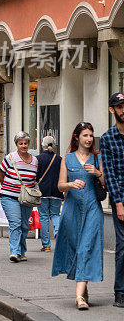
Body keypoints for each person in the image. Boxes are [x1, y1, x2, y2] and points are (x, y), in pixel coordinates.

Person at [52, 122, 105, 310]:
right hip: (72, 209)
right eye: (85, 135)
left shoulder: (97, 158)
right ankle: (84, 289)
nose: (89, 139)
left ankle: (79, 298)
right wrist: (70, 184)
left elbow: (106, 184)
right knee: (76, 249)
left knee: (86, 249)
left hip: (92, 208)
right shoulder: (66, 159)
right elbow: (60, 185)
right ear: (77, 137)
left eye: (91, 135)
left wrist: (98, 173)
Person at [0, 131, 37, 262]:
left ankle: (21, 251)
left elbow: (34, 179)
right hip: (9, 196)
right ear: (17, 144)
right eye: (21, 143)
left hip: (26, 198)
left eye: (26, 143)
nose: (24, 145)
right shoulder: (10, 158)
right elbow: (1, 174)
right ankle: (14, 252)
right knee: (15, 223)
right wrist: (9, 188)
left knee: (24, 225)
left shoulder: (35, 161)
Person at [101, 93, 124, 308]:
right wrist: (118, 203)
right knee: (123, 247)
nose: (123, 110)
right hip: (122, 200)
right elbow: (110, 174)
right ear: (112, 110)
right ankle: (120, 292)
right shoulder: (108, 138)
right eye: (120, 107)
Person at [36, 135, 63, 252]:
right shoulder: (60, 159)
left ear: (43, 146)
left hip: (42, 191)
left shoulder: (38, 159)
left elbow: (35, 176)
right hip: (56, 191)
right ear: (54, 146)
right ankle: (58, 233)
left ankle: (46, 245)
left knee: (43, 217)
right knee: (55, 215)